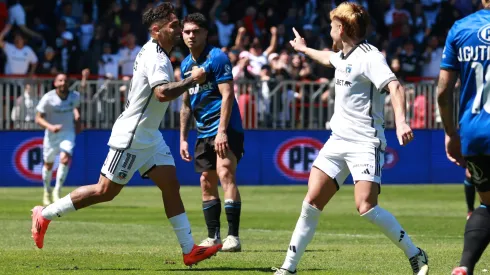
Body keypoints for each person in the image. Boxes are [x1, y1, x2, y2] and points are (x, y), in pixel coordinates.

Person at [30, 3, 222, 267]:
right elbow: (162, 93)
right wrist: (192, 80)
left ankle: (189, 250)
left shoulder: (156, 52)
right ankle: (45, 214)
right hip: (132, 135)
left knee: (170, 184)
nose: (179, 29)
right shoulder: (156, 57)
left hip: (149, 135)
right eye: (174, 25)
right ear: (156, 30)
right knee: (104, 191)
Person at [272, 3, 428, 275]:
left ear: (341, 29)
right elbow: (326, 58)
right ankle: (288, 268)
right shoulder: (342, 54)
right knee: (311, 203)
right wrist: (303, 49)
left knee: (366, 207)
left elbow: (395, 85)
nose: (329, 29)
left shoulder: (370, 56)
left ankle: (415, 254)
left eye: (332, 26)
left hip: (365, 142)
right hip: (337, 141)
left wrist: (401, 121)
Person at [180, 13, 245, 252]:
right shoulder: (186, 65)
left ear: (205, 33)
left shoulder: (217, 57)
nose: (191, 35)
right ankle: (213, 237)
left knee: (225, 171)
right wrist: (183, 139)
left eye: (195, 31)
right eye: (187, 31)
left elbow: (228, 94)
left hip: (225, 128)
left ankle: (234, 237)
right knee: (206, 181)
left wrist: (222, 132)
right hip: (202, 131)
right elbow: (186, 105)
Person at [437, 1, 490, 274]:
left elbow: (443, 91)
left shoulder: (461, 28)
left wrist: (450, 133)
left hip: (476, 132)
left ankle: (464, 267)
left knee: (489, 204)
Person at [35, 74, 81, 205]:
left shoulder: (75, 96)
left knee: (65, 159)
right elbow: (38, 118)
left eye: (65, 81)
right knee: (48, 164)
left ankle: (57, 191)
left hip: (68, 132)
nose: (63, 83)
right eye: (60, 81)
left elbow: (76, 108)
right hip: (52, 134)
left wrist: (78, 121)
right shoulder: (48, 98)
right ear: (55, 83)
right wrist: (50, 127)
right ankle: (46, 190)